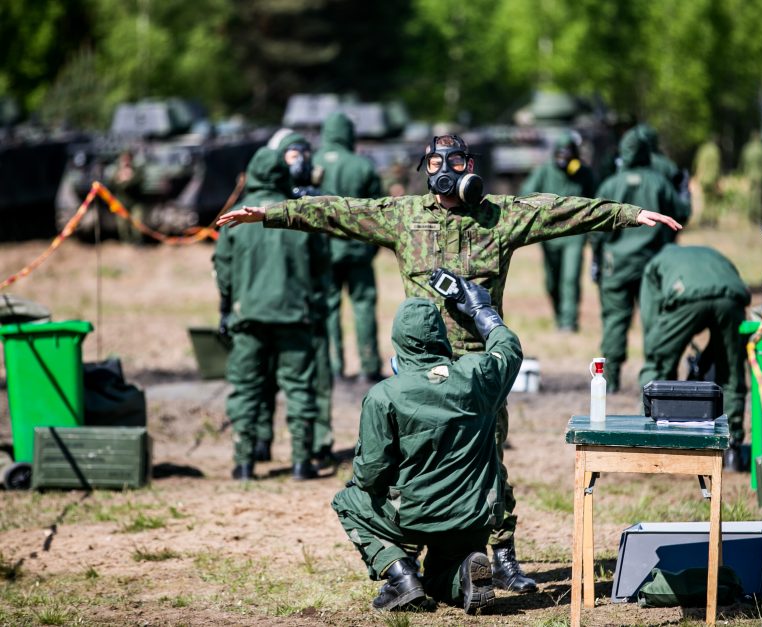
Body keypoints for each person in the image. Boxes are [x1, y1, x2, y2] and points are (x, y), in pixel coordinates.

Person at [217, 133, 681, 588]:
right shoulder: (403, 216)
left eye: (456, 163)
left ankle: (501, 555)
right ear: (426, 171)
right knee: (407, 464)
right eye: (436, 165)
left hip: (477, 368)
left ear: (469, 167)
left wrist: (629, 213)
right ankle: (410, 557)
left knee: (489, 461)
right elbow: (339, 211)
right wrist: (273, 213)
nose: (445, 173)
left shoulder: (498, 217)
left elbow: (560, 209)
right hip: (417, 375)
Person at [332, 279, 521, 613]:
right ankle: (464, 573)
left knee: (348, 501)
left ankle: (401, 575)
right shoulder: (476, 375)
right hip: (474, 515)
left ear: (398, 342)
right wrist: (481, 310)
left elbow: (370, 474)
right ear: (441, 337)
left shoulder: (384, 395)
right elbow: (508, 348)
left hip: (414, 515)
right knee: (439, 577)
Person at [213, 131, 332, 481]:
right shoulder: (296, 216)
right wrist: (314, 305)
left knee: (247, 388)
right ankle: (300, 461)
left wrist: (226, 310)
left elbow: (223, 272)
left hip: (247, 315)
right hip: (295, 315)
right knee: (298, 388)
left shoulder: (235, 219)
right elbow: (321, 268)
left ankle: (245, 463)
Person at [591, 127, 689, 393]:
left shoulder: (610, 184)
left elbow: (595, 226)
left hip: (615, 265)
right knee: (654, 320)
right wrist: (683, 190)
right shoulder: (659, 182)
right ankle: (654, 379)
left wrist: (596, 260)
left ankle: (609, 380)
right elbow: (682, 214)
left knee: (614, 320)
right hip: (651, 265)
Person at [638, 244, 751, 470]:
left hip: (686, 295)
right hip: (731, 297)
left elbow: (651, 321)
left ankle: (654, 439)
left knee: (658, 365)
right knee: (731, 369)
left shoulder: (654, 264)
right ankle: (733, 449)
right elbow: (720, 299)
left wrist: (659, 350)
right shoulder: (715, 254)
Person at [314, 112, 385, 384]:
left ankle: (334, 366)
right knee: (364, 306)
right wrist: (372, 247)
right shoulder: (363, 166)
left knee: (329, 308)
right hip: (358, 251)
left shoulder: (315, 162)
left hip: (324, 252)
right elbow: (380, 212)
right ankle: (369, 366)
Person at [520, 131, 596, 332]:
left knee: (570, 279)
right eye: (560, 155)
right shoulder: (545, 171)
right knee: (552, 281)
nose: (564, 159)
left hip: (574, 235)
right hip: (550, 235)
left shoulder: (584, 174)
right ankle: (559, 316)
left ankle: (569, 323)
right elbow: (526, 194)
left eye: (568, 155)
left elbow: (597, 201)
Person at [692, 137, 722, 226]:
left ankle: (703, 219)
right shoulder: (715, 150)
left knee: (705, 199)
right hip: (712, 178)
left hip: (703, 178)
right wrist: (718, 180)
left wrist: (696, 174)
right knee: (712, 200)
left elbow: (696, 162)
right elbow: (717, 166)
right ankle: (712, 220)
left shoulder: (703, 149)